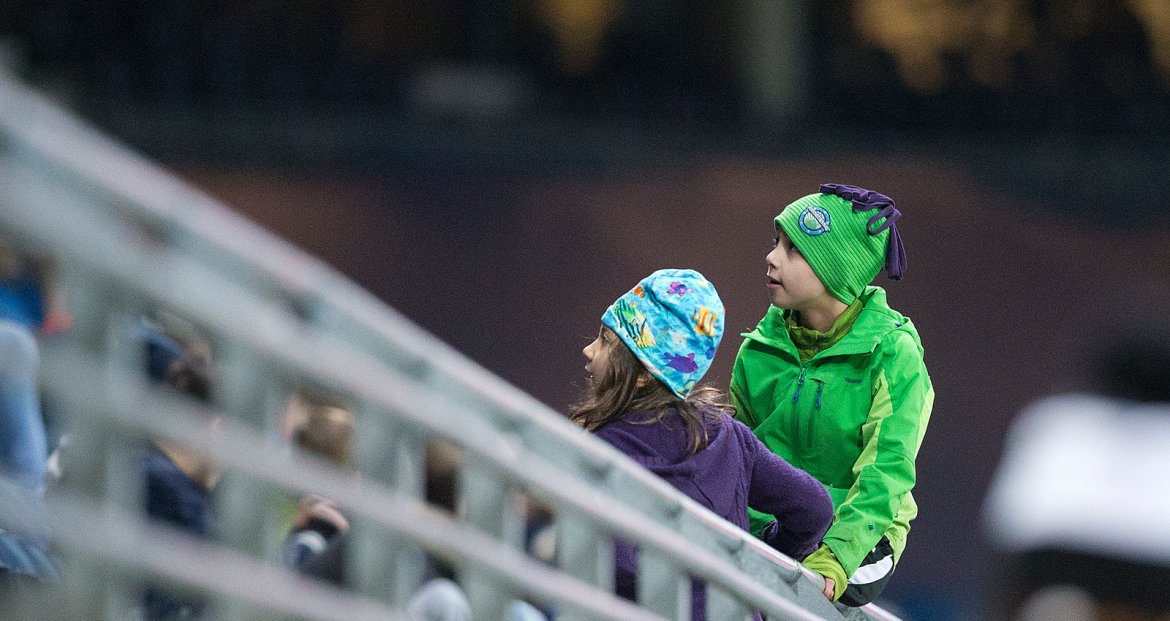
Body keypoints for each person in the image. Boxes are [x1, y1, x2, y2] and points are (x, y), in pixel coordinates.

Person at [573, 268, 834, 619]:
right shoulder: (729, 436)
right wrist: (759, 564)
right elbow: (814, 507)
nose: (589, 351)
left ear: (643, 373)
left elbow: (614, 565)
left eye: (605, 340)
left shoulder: (608, 447)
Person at [729, 184, 934, 606]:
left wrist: (839, 556)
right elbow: (739, 458)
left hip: (859, 537)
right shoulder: (757, 351)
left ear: (837, 268)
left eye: (794, 249)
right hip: (777, 524)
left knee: (810, 587)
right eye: (776, 243)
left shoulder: (895, 355)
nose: (771, 257)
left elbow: (887, 472)